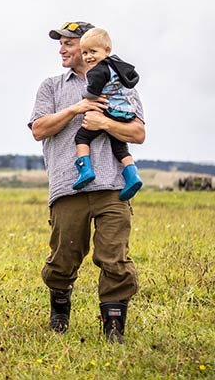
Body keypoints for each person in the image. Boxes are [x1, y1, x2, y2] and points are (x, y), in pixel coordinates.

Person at [29, 21, 145, 344]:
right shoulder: (51, 87)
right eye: (61, 44)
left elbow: (138, 133)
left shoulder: (121, 83)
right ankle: (60, 307)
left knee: (115, 259)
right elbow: (38, 129)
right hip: (69, 187)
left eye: (68, 43)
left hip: (113, 187)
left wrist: (103, 122)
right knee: (62, 261)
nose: (62, 49)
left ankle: (113, 331)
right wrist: (77, 108)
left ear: (88, 47)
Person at [72, 28, 144, 201]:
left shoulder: (97, 70)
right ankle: (132, 175)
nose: (88, 57)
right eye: (85, 53)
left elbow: (92, 94)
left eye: (93, 52)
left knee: (81, 137)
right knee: (119, 146)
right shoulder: (119, 67)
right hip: (125, 113)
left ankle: (85, 170)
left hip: (106, 111)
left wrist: (84, 97)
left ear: (107, 51)